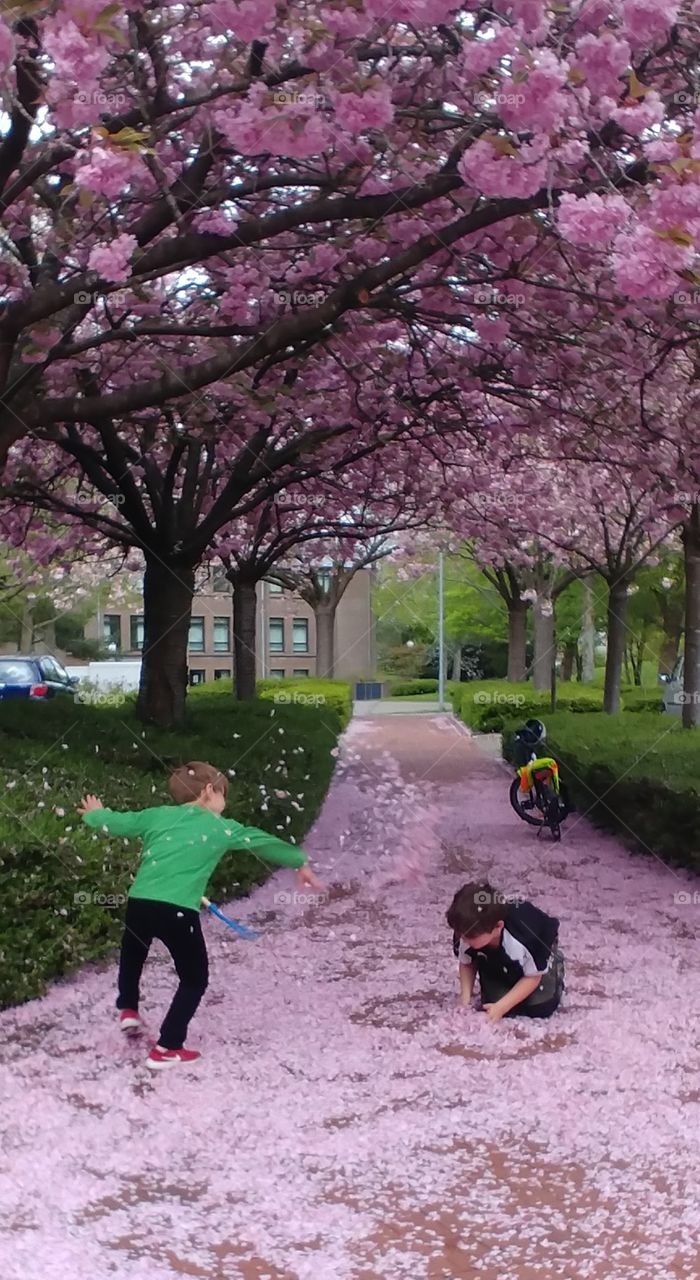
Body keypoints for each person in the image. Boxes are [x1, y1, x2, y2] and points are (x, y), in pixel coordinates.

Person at [78, 760, 325, 1071]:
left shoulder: (158, 816)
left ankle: (128, 1008)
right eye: (223, 794)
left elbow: (118, 823)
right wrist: (299, 861)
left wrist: (95, 815)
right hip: (178, 910)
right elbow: (261, 842)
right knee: (194, 979)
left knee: (133, 955)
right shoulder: (222, 828)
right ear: (209, 791)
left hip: (139, 903)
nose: (224, 803)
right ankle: (167, 1047)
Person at [446, 881, 564, 1023]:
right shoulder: (466, 932)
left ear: (498, 927)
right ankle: (495, 967)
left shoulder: (523, 938)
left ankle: (554, 965)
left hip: (539, 946)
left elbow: (533, 977)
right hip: (493, 950)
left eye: (469, 937)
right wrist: (465, 998)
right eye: (460, 934)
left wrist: (502, 1007)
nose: (463, 940)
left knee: (541, 1006)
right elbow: (467, 963)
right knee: (490, 1003)